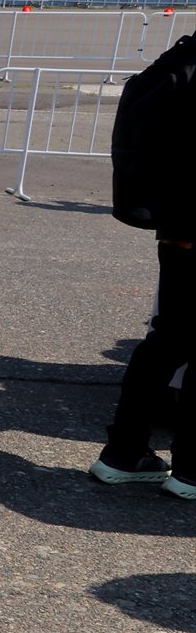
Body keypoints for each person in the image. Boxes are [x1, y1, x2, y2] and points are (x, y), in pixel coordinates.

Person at [92, 34, 195, 499]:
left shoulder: (181, 59)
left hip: (175, 223)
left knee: (167, 340)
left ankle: (124, 452)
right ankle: (190, 471)